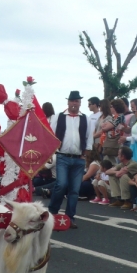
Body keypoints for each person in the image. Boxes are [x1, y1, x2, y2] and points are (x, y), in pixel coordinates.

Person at [48, 91, 92, 229]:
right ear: (68, 102)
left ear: (80, 103)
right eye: (72, 101)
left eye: (77, 101)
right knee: (61, 185)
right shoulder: (58, 117)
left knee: (74, 189)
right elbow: (51, 135)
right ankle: (53, 213)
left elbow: (89, 137)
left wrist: (86, 154)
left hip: (78, 158)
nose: (74, 103)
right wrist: (51, 152)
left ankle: (69, 217)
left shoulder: (86, 118)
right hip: (62, 156)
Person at [105, 146, 137, 210]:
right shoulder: (122, 164)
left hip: (134, 184)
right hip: (128, 183)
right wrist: (117, 171)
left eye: (119, 154)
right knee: (112, 175)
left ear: (123, 156)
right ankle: (119, 199)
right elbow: (107, 172)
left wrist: (117, 172)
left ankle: (127, 201)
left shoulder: (133, 164)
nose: (117, 155)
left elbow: (119, 174)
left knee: (123, 176)